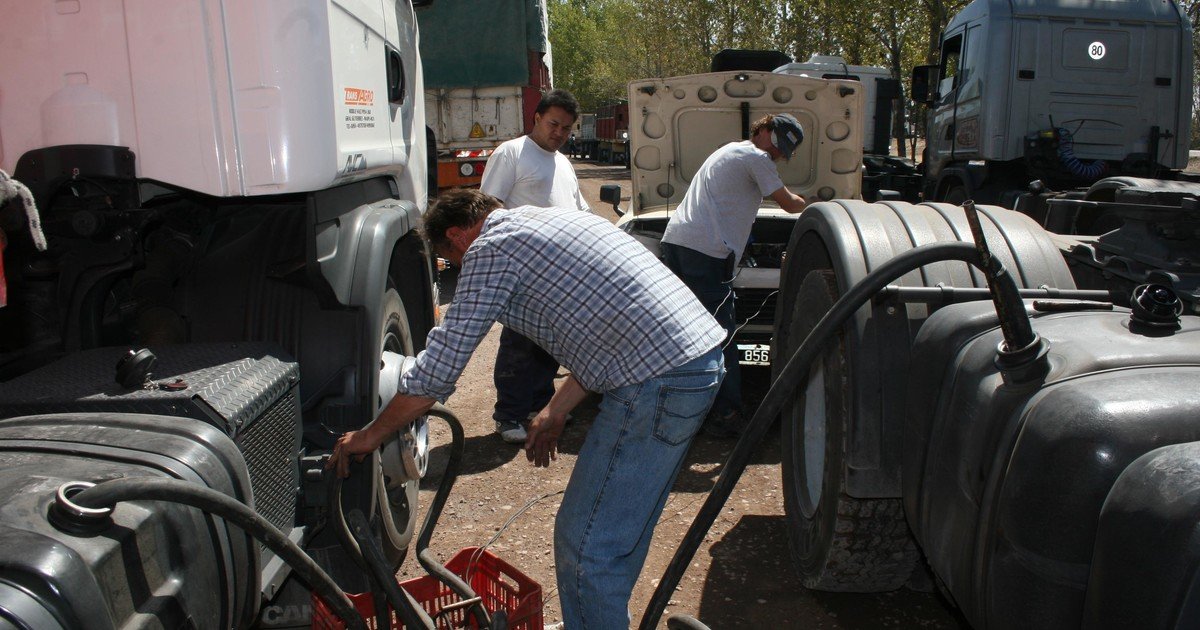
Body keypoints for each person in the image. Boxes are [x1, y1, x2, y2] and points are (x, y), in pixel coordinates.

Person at [327, 189, 725, 628]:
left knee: (588, 545)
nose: (460, 268)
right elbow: (610, 331)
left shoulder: (490, 249)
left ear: (458, 238)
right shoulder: (550, 222)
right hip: (689, 363)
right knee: (612, 537)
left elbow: (437, 370)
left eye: (451, 261)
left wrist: (367, 436)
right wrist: (556, 408)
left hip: (660, 380)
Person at [659, 113, 809, 438]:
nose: (778, 155)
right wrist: (824, 206)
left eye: (783, 152)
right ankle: (726, 414)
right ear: (765, 130)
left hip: (678, 243)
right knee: (719, 333)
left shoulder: (730, 150)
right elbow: (788, 204)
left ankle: (674, 405)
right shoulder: (755, 156)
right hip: (706, 253)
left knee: (680, 328)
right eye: (778, 145)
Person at [480, 88, 590, 444]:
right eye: (554, 124)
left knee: (550, 343)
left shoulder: (563, 162)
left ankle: (540, 406)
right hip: (523, 269)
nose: (559, 133)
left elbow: (580, 210)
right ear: (537, 118)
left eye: (566, 128)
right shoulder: (512, 153)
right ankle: (508, 415)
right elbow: (489, 208)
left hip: (560, 270)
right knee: (519, 343)